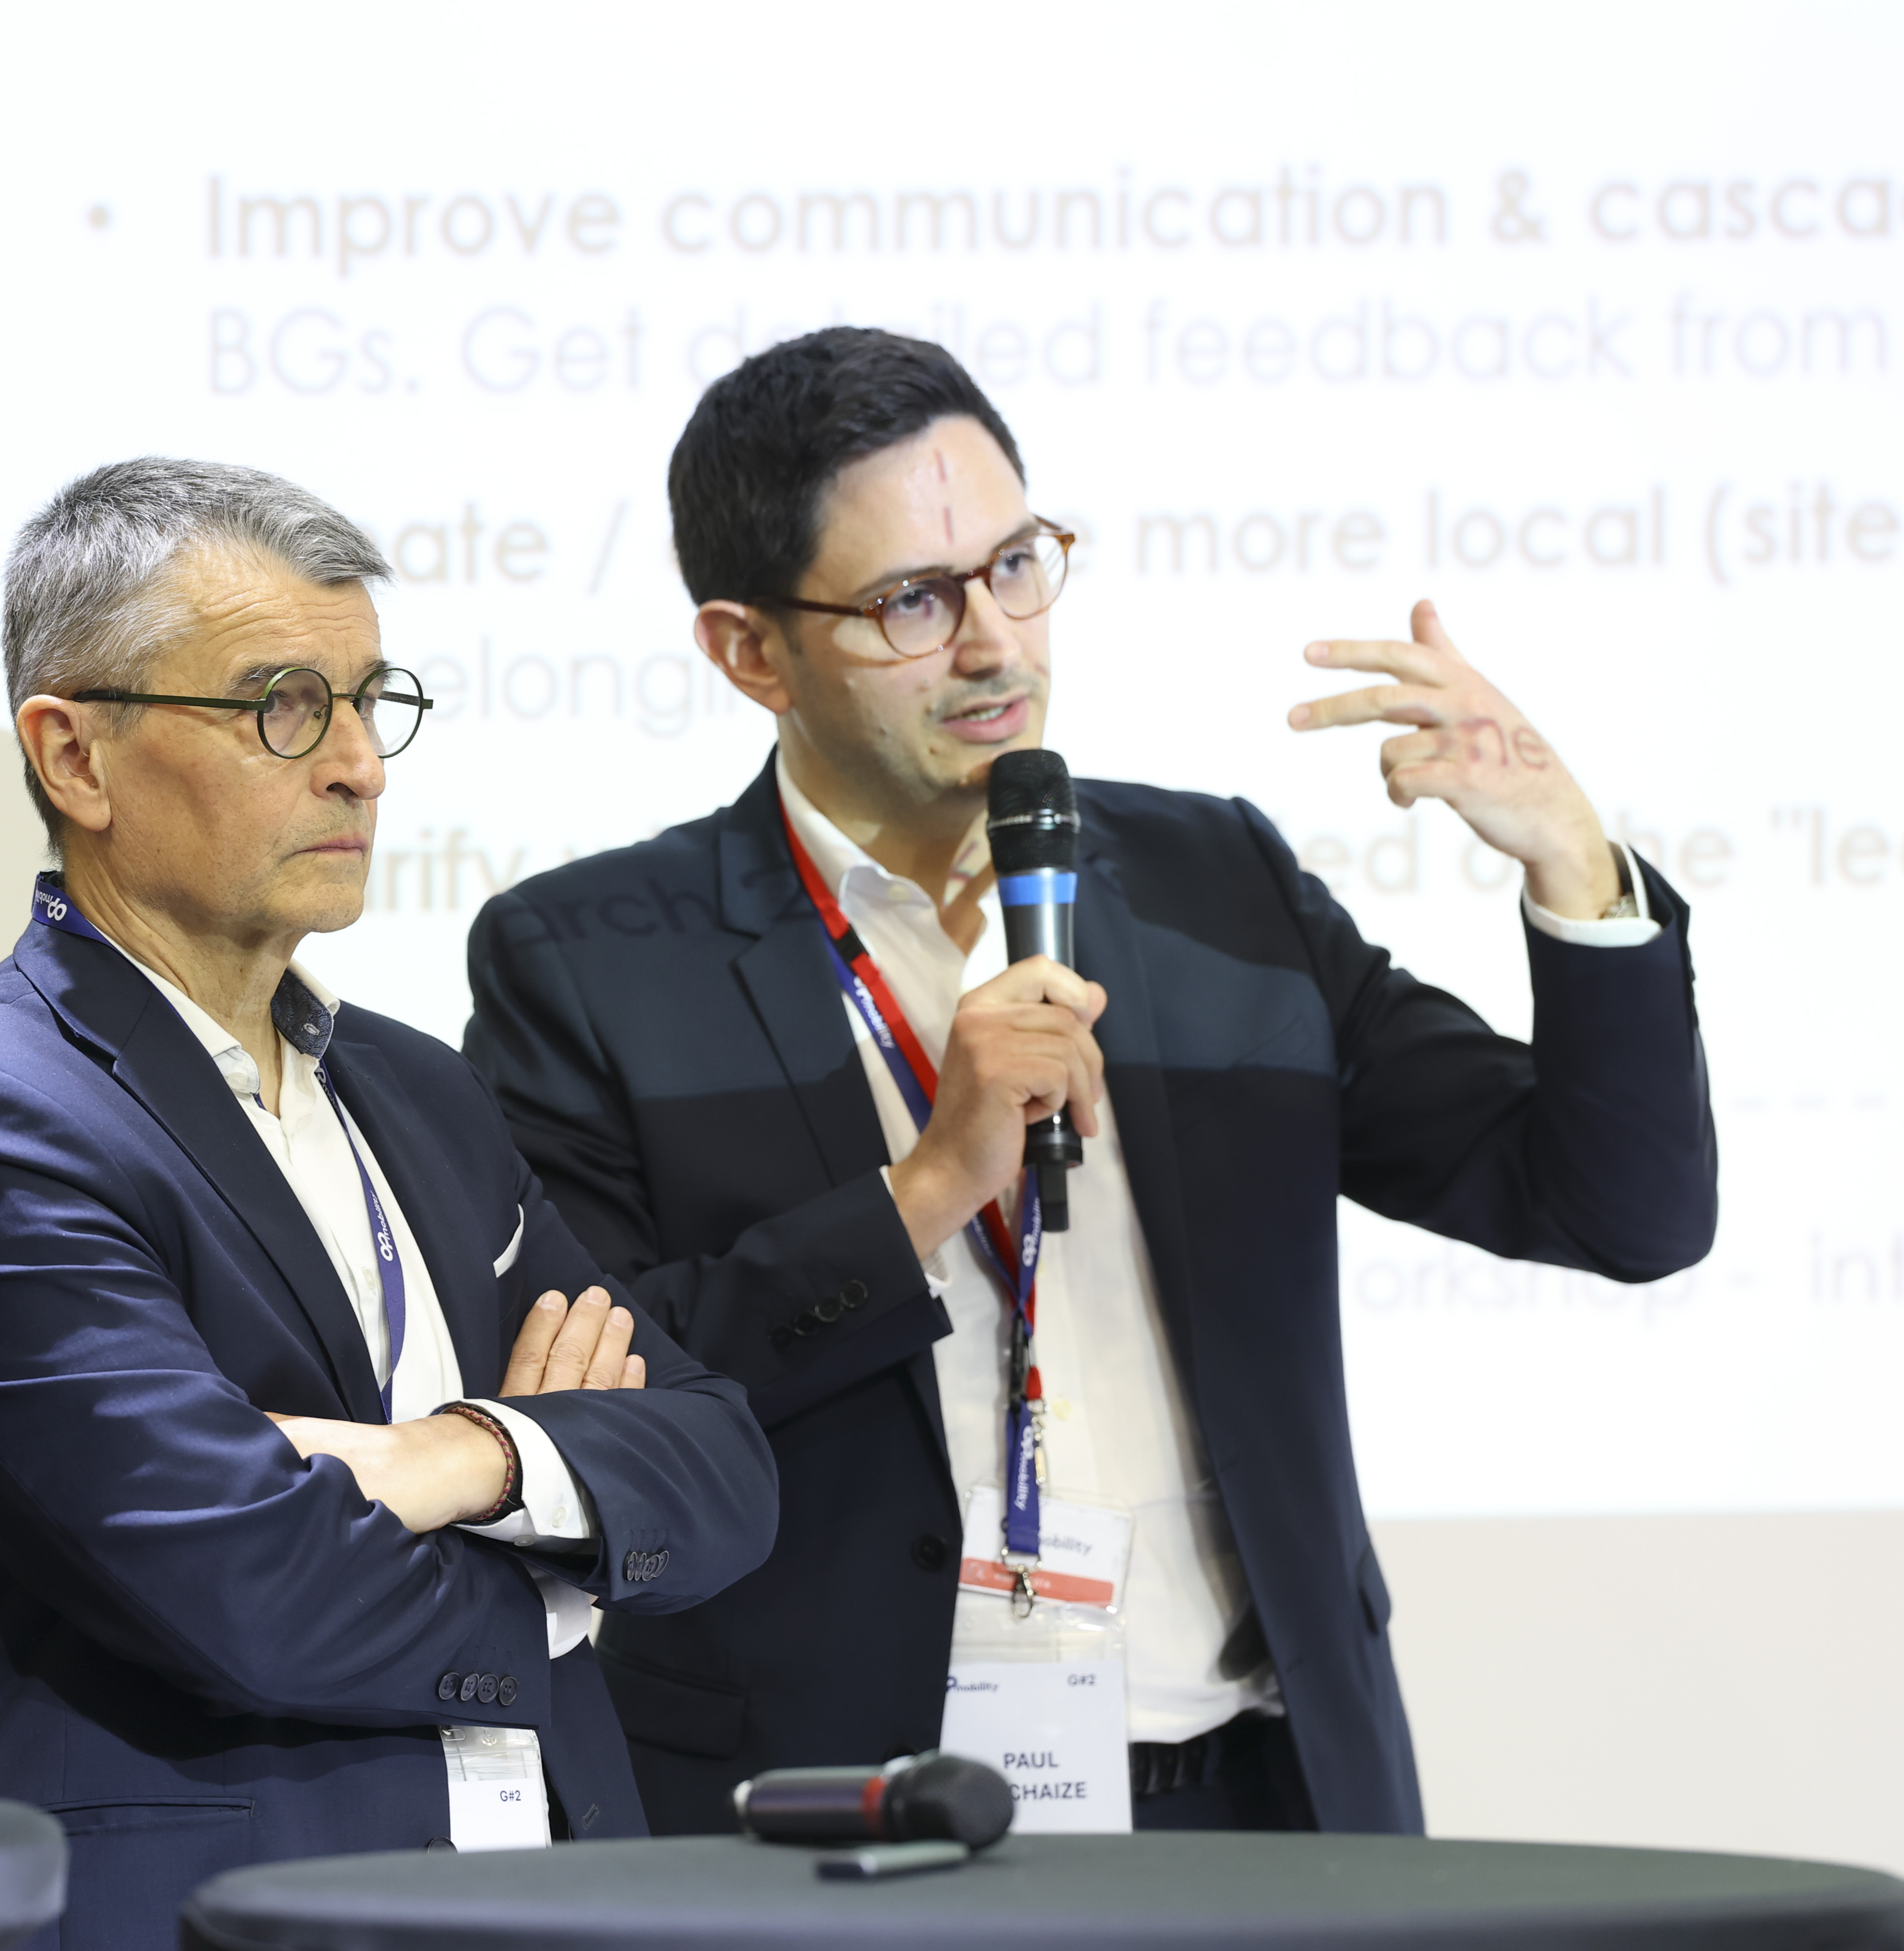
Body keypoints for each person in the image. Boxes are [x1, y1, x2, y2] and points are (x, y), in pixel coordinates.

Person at [461, 328, 1715, 1836]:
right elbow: (600, 1405)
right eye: (913, 600)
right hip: (845, 1812)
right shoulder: (592, 960)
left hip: (1260, 1799)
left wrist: (1575, 866)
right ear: (749, 651)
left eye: (1017, 567)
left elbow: (1622, 1209)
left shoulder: (1217, 885)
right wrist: (925, 1192)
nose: (996, 644)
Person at [0, 458, 779, 1949]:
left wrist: (463, 1457)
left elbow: (721, 1463)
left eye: (368, 701)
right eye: (281, 706)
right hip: (233, 1904)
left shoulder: (419, 1090)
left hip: (549, 1883)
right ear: (75, 756)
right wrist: (566, 1552)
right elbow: (249, 1591)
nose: (358, 765)